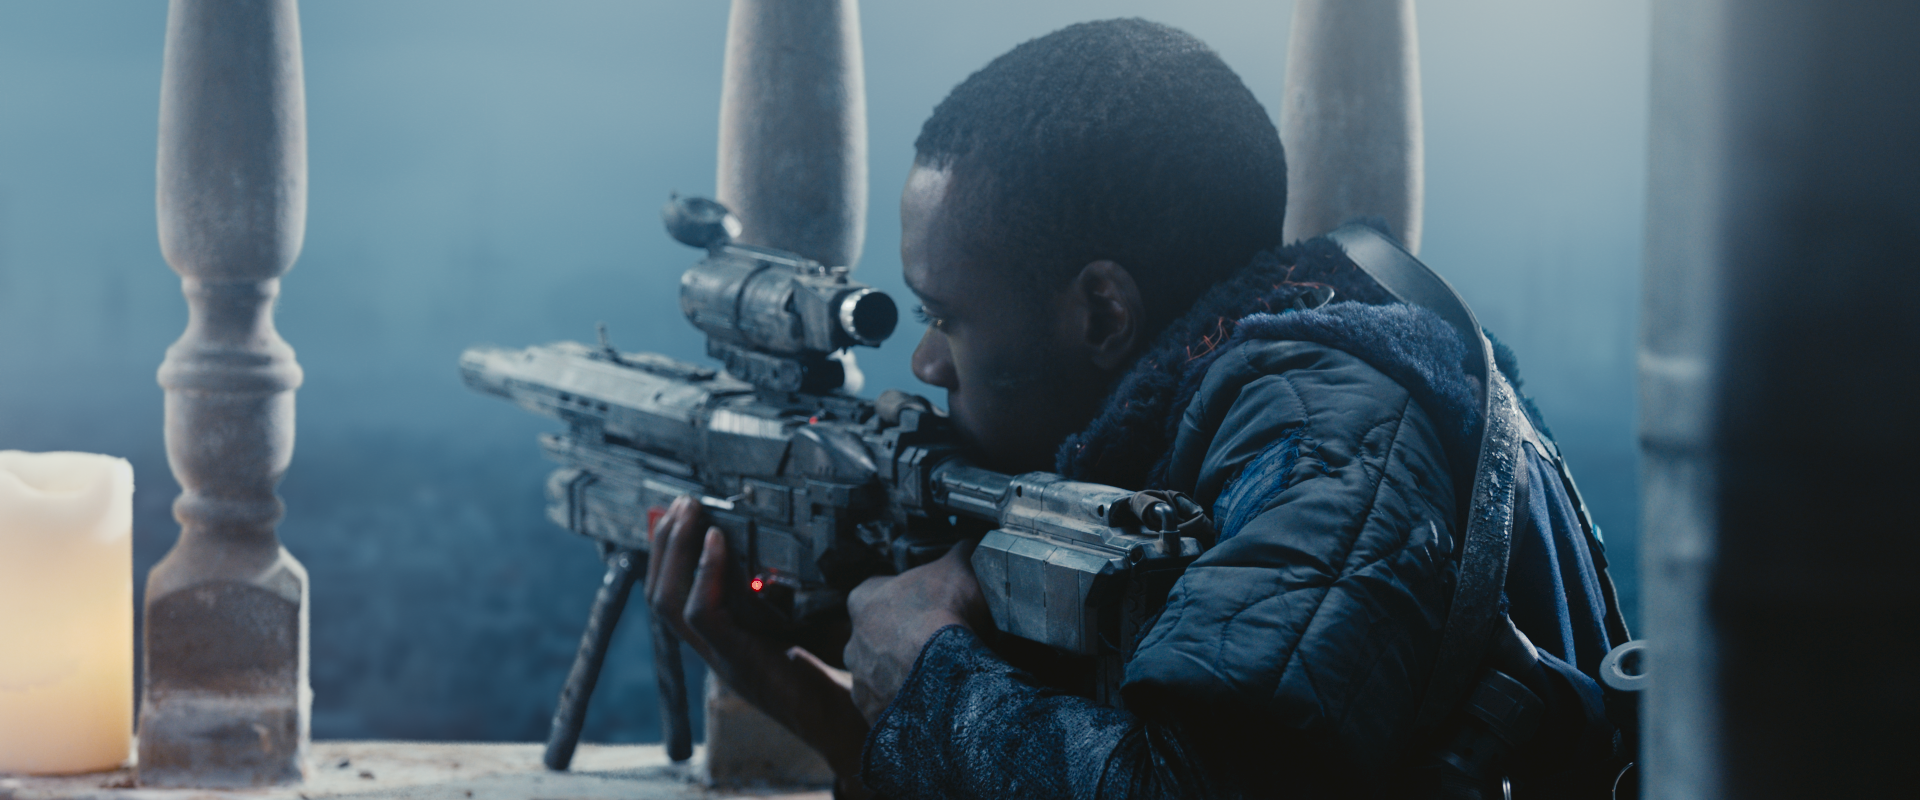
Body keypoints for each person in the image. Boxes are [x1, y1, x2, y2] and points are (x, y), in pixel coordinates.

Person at [647, 18, 1629, 799]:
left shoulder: (1326, 439)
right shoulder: (1249, 408)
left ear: (1104, 313)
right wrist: (826, 711)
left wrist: (932, 675)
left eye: (946, 315)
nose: (927, 360)